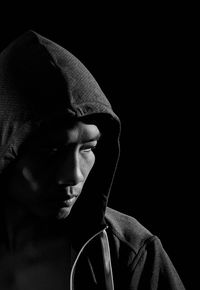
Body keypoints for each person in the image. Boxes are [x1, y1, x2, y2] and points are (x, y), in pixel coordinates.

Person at [0, 30, 185, 290]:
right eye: (51, 151)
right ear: (7, 149)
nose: (73, 175)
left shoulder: (130, 250)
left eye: (88, 148)